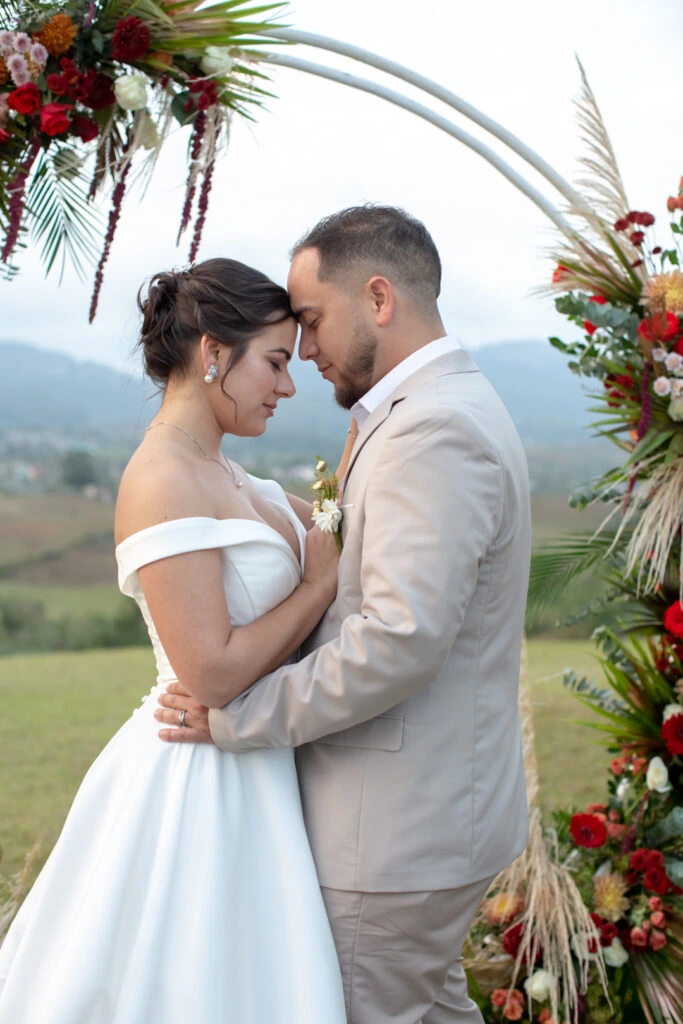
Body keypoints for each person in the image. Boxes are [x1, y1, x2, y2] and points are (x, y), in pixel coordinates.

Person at [157, 206, 533, 1024]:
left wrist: (238, 720)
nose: (308, 348)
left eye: (315, 321)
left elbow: (396, 641)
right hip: (423, 815)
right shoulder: (426, 410)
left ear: (378, 298)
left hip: (394, 829)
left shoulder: (432, 429)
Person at [0, 258, 348, 1024]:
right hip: (197, 777)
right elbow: (212, 671)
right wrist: (316, 588)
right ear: (212, 352)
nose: (288, 387)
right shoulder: (161, 479)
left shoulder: (232, 474)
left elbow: (342, 519)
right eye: (277, 362)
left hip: (261, 763)